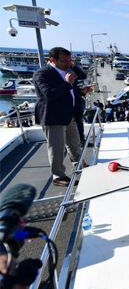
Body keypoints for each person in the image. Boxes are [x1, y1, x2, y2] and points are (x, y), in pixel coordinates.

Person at [33, 47, 92, 186]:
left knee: (74, 143)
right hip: (53, 116)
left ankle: (79, 164)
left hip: (68, 114)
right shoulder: (42, 74)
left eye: (69, 60)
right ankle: (58, 175)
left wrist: (81, 91)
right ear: (52, 60)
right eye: (64, 61)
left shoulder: (68, 71)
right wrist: (67, 83)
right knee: (56, 147)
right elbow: (49, 94)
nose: (67, 63)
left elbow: (81, 77)